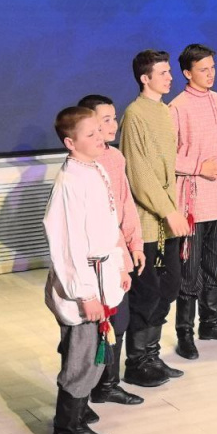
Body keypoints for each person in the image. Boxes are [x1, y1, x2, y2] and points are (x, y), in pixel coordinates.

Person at [43, 106, 129, 434]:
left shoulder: (96, 169)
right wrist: (85, 294)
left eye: (99, 130)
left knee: (94, 352)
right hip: (84, 281)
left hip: (103, 272)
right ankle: (67, 428)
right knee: (81, 355)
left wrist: (119, 264)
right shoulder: (70, 181)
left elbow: (108, 224)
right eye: (90, 134)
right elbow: (66, 243)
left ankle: (79, 416)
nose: (99, 137)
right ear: (70, 142)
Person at [119, 50, 191, 387]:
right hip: (149, 222)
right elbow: (139, 173)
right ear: (144, 78)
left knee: (169, 287)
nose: (169, 77)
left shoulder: (164, 111)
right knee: (146, 292)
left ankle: (152, 354)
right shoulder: (135, 114)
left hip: (168, 217)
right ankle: (136, 362)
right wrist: (167, 210)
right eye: (162, 73)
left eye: (168, 71)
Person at [169, 44, 217, 359]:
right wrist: (201, 167)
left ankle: (210, 322)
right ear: (188, 73)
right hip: (192, 200)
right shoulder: (177, 107)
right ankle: (184, 332)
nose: (210, 74)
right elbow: (167, 156)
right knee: (190, 270)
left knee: (216, 263)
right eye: (203, 69)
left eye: (212, 68)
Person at [75, 95, 145, 407]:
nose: (112, 124)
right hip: (97, 257)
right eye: (105, 119)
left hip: (117, 252)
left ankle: (108, 384)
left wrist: (135, 244)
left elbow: (125, 203)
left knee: (120, 319)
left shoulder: (115, 157)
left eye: (114, 117)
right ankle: (84, 393)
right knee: (92, 326)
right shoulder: (82, 166)